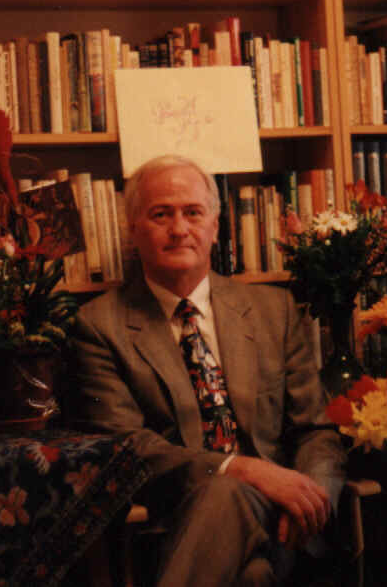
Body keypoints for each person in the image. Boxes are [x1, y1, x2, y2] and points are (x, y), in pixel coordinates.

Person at [68, 154, 345, 587]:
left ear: (215, 226)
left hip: (283, 519)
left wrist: (313, 496)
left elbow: (316, 431)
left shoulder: (273, 311)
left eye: (193, 213)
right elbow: (128, 449)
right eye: (161, 214)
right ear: (132, 229)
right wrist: (238, 468)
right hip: (175, 520)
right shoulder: (99, 325)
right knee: (252, 571)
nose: (179, 229)